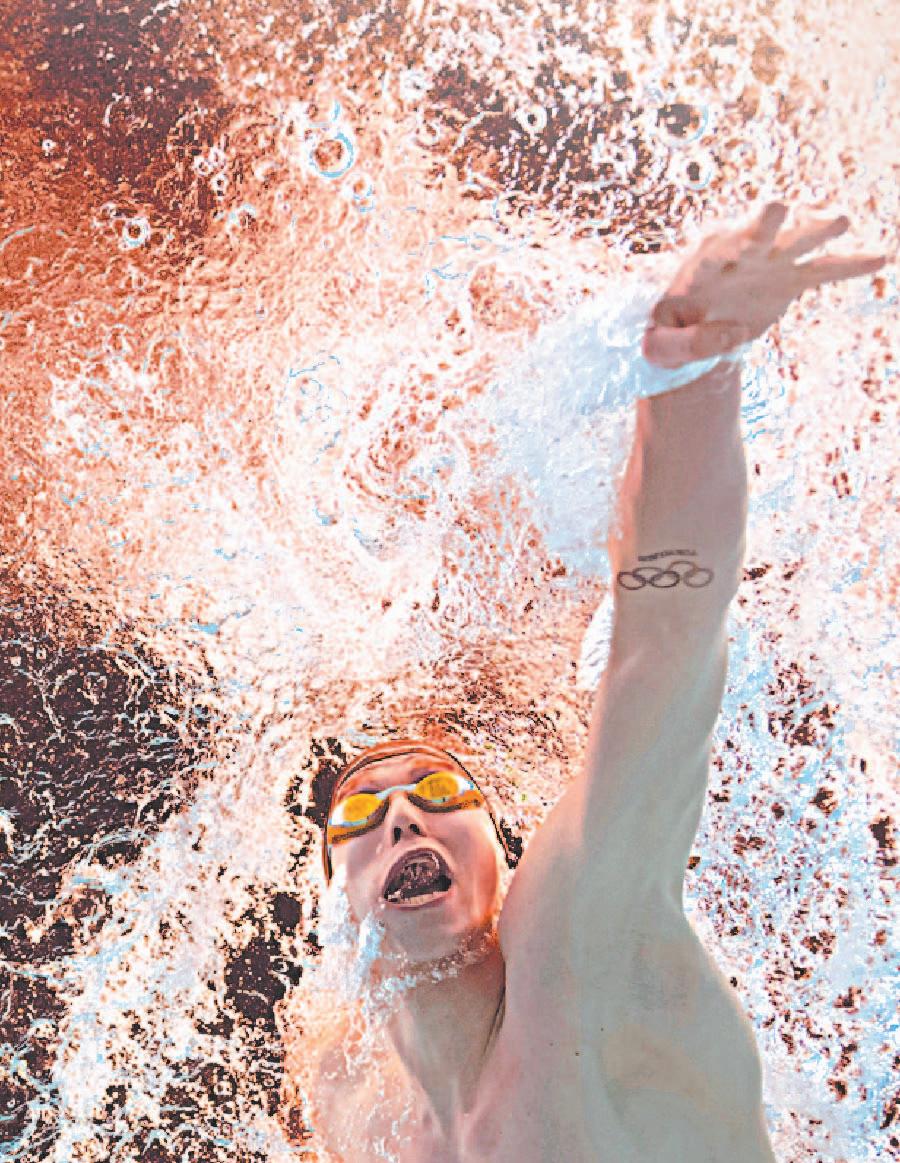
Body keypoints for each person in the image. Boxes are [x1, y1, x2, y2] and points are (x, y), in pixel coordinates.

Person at [306, 202, 887, 1162]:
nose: (403, 816)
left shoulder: (574, 946)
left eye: (441, 792)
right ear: (333, 901)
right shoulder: (345, 1088)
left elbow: (664, 654)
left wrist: (692, 377)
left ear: (501, 860)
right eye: (361, 815)